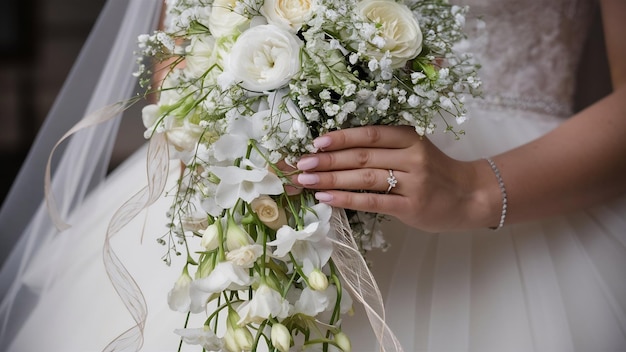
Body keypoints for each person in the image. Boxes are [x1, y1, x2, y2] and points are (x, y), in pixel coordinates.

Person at [1, 0, 625, 351]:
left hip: (527, 214)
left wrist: (476, 191)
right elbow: (177, 41)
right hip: (252, 204)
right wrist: (221, 121)